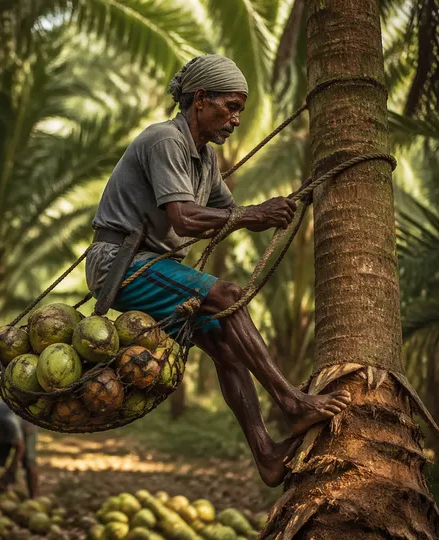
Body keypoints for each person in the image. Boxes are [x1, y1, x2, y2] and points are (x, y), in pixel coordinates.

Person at [85, 54, 351, 487]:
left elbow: (228, 215)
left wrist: (286, 204)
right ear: (201, 99)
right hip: (119, 265)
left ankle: (266, 455)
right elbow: (187, 219)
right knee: (226, 295)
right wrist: (253, 214)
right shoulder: (164, 141)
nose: (235, 120)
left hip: (154, 267)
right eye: (230, 107)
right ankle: (290, 401)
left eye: (240, 111)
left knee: (228, 347)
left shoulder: (204, 160)